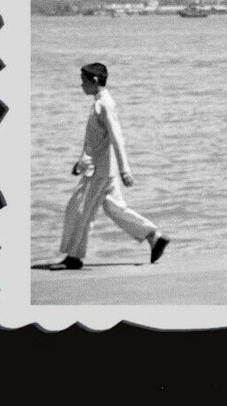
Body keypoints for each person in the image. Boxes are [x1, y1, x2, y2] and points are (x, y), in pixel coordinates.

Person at [55, 62, 169, 269]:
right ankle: (154, 237)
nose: (81, 86)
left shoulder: (105, 104)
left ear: (95, 81)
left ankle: (74, 257)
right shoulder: (99, 103)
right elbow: (94, 140)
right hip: (102, 169)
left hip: (101, 172)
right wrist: (79, 165)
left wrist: (126, 170)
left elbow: (117, 138)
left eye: (84, 82)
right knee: (115, 208)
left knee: (79, 209)